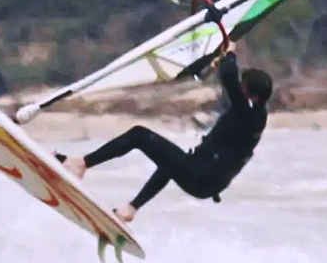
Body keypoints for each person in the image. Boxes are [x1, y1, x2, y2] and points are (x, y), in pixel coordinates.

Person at [57, 44, 272, 222]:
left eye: (243, 88)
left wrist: (230, 54)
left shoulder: (248, 113)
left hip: (201, 175)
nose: (240, 90)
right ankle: (130, 209)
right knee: (168, 163)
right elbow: (232, 84)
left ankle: (82, 164)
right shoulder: (257, 114)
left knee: (139, 135)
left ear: (249, 93)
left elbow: (228, 78)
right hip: (206, 177)